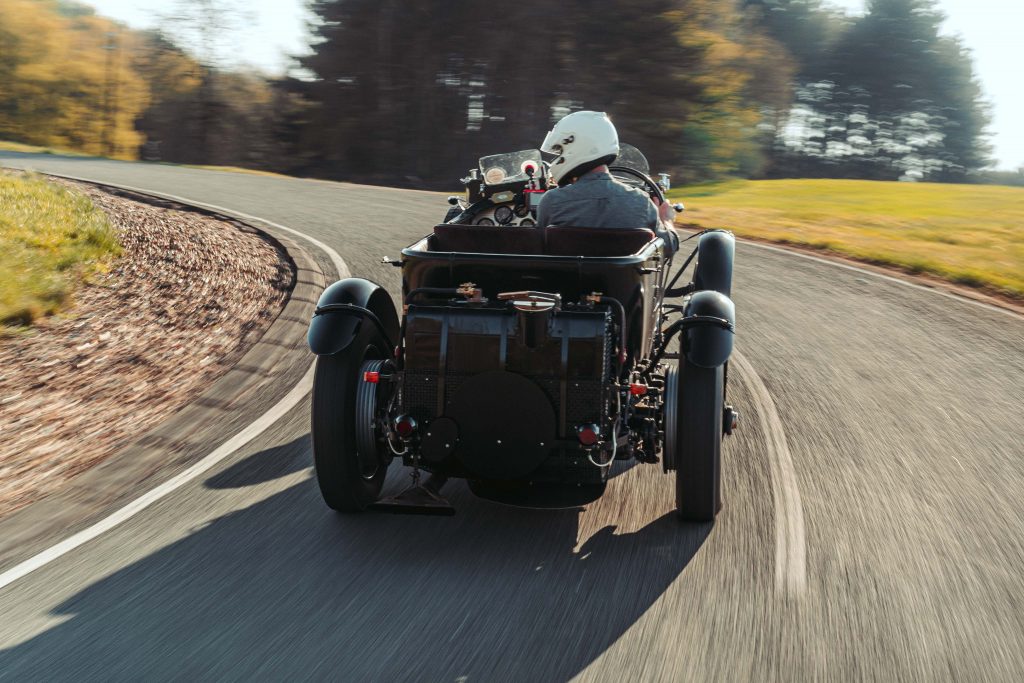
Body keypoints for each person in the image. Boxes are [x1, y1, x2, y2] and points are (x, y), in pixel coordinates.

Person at [536, 111, 678, 252]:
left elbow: (540, 247)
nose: (559, 156)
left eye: (560, 150)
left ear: (577, 146)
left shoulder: (551, 202)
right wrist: (665, 220)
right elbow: (669, 246)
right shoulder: (642, 203)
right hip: (624, 276)